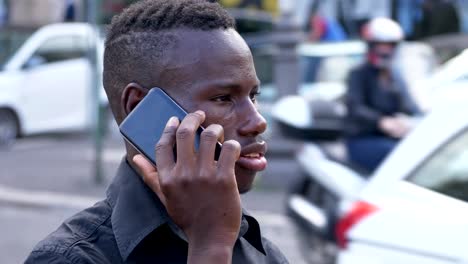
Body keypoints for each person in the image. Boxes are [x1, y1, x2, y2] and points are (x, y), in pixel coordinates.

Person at [25, 1, 288, 263]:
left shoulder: (263, 254)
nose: (258, 121)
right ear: (140, 107)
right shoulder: (68, 258)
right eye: (223, 98)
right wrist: (211, 247)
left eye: (254, 95)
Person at [345, 17, 421, 172]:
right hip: (363, 139)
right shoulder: (359, 73)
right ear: (371, 46)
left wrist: (407, 121)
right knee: (398, 156)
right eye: (381, 45)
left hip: (392, 138)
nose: (385, 50)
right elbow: (355, 107)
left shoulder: (395, 75)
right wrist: (381, 122)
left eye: (390, 46)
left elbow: (410, 106)